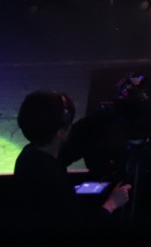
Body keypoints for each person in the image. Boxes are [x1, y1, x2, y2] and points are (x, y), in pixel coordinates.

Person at [12, 90, 131, 221]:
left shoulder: (30, 155)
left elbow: (78, 136)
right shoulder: (53, 180)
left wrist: (112, 112)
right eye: (69, 125)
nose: (71, 128)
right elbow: (77, 229)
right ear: (60, 132)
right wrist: (112, 204)